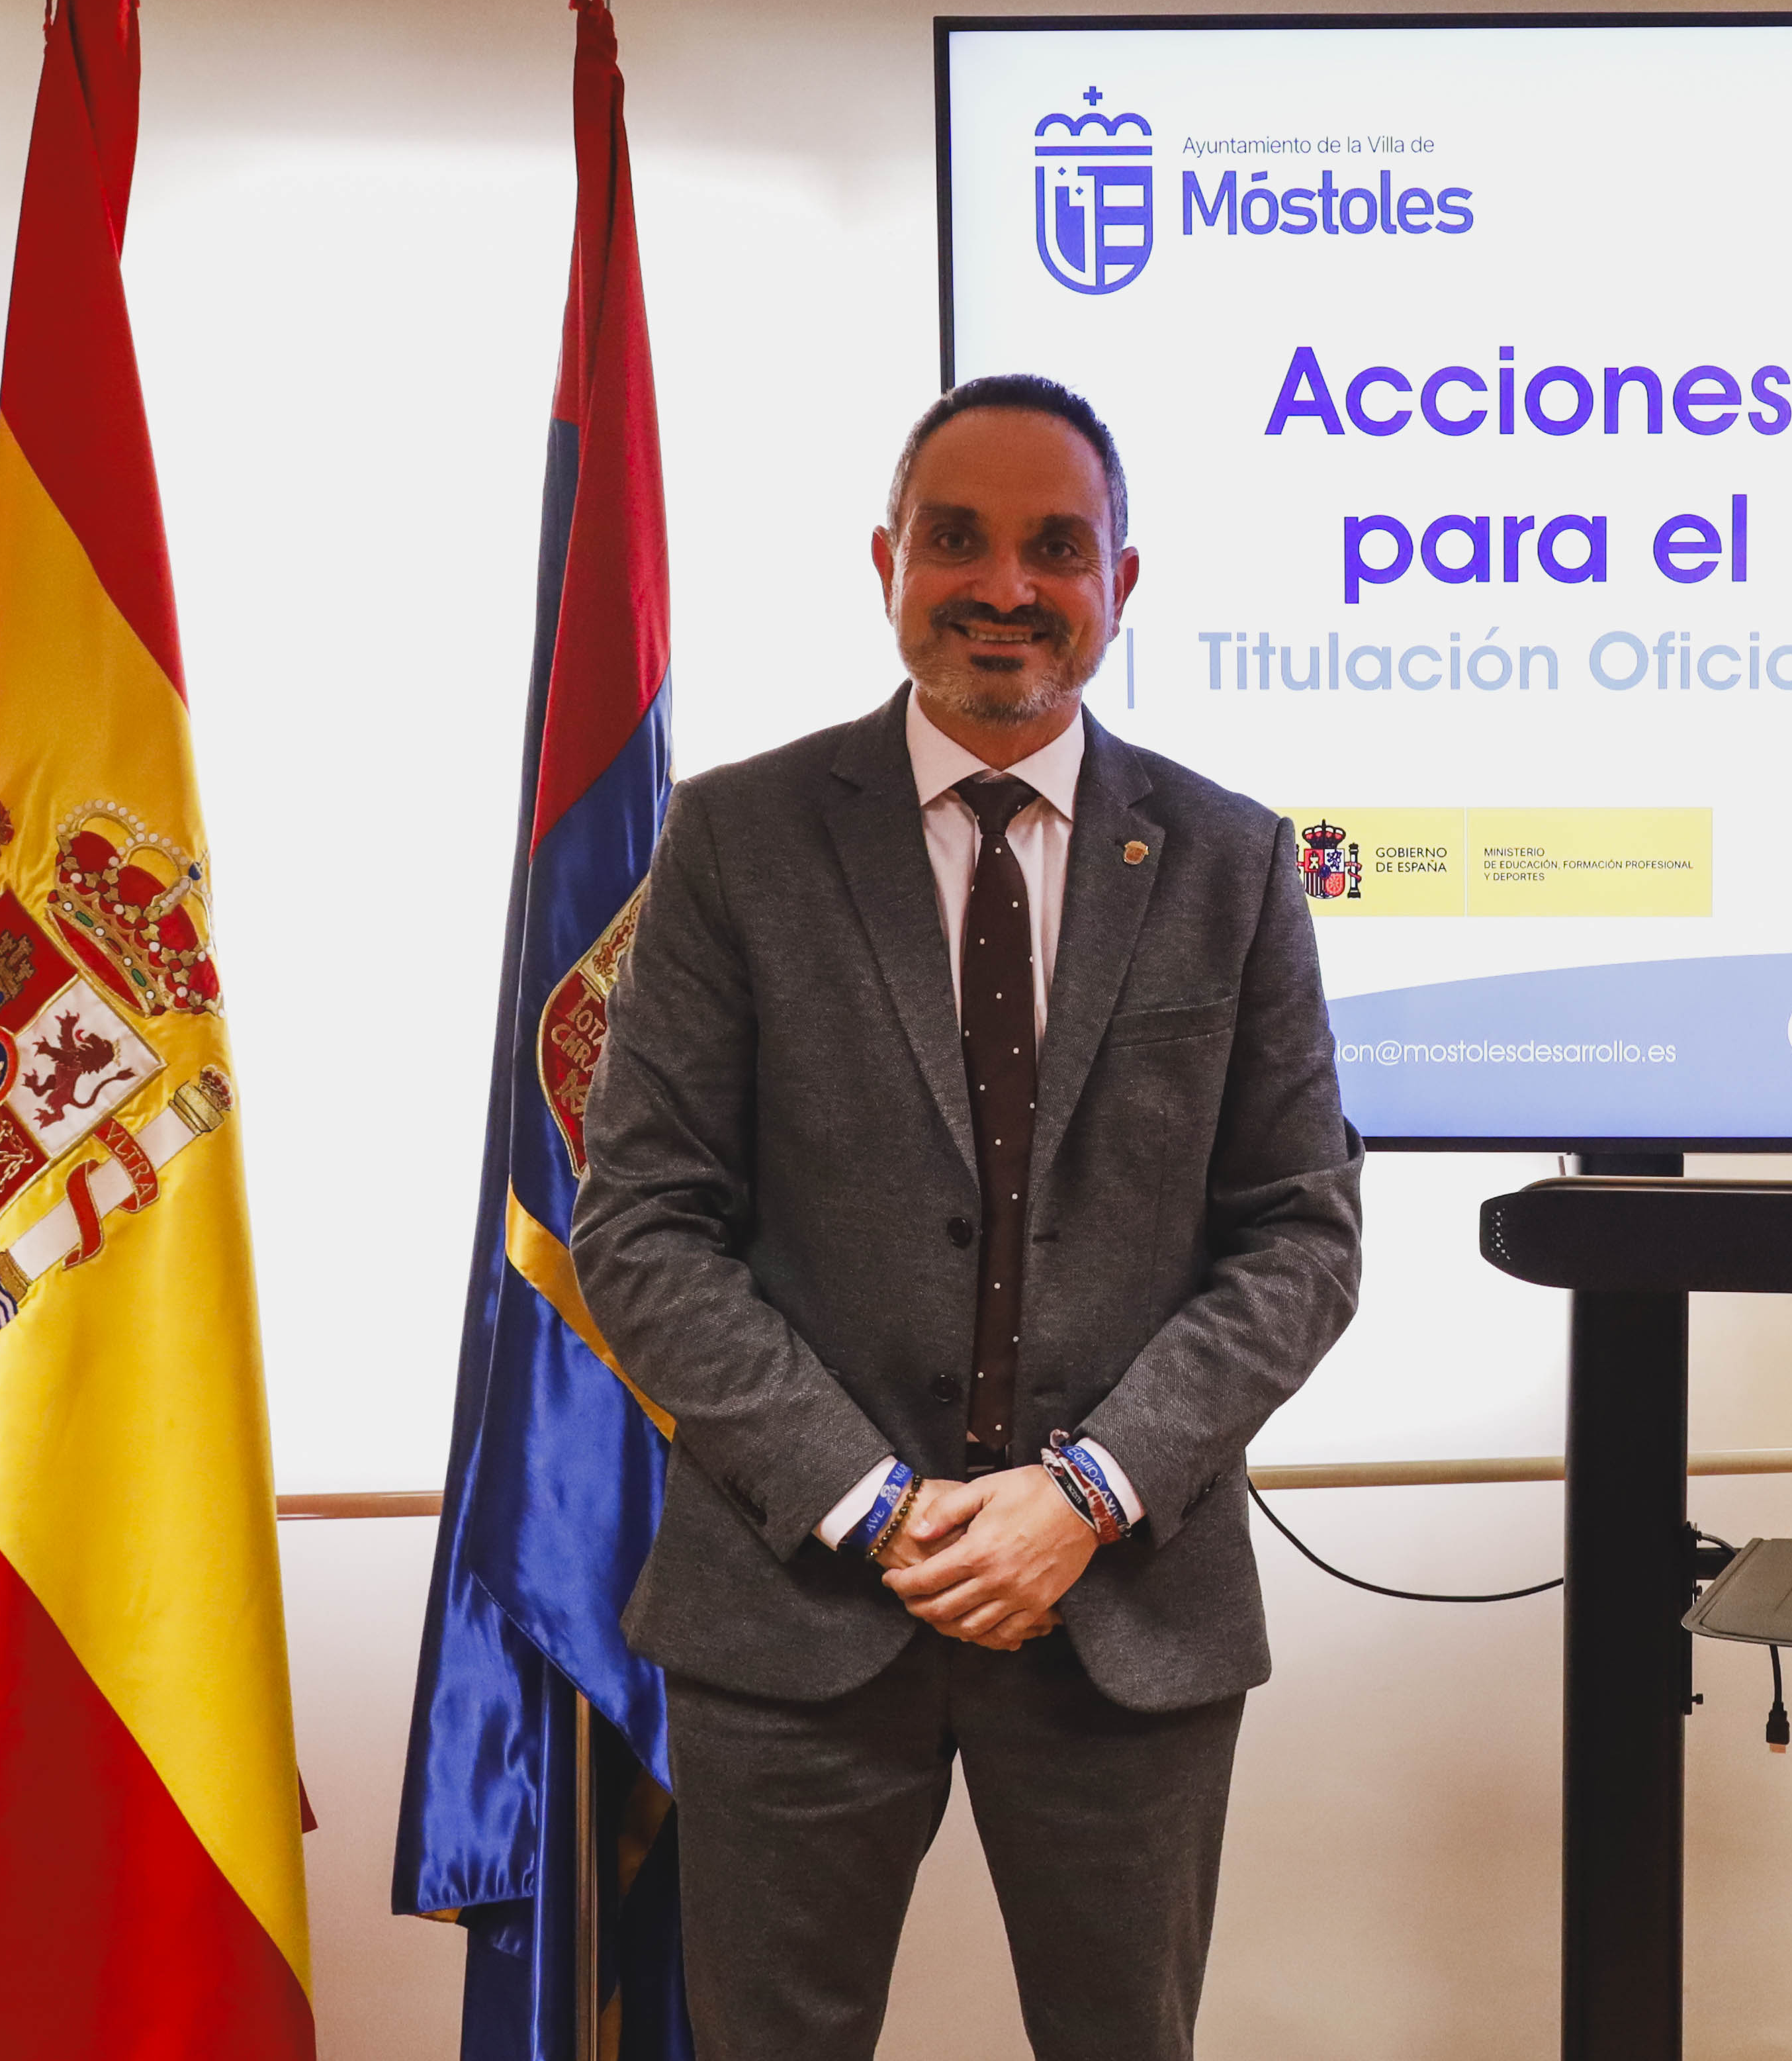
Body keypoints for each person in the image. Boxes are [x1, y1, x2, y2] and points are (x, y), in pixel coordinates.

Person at [568, 373, 1361, 2061]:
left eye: (1055, 546)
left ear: (1119, 584)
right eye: (958, 539)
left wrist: (1085, 1493)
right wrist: (874, 1505)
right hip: (793, 1608)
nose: (1006, 586)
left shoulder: (1229, 860)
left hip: (1125, 1613)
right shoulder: (738, 838)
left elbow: (1302, 1235)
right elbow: (641, 1221)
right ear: (888, 563)